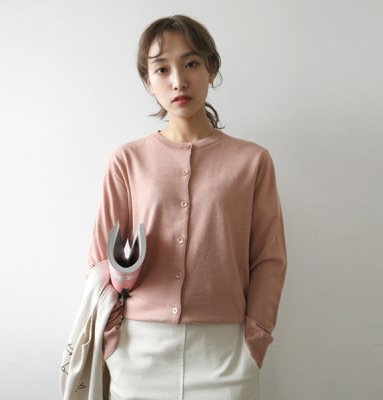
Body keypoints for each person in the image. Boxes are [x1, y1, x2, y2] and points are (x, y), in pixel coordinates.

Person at [87, 14, 287, 400]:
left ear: (211, 68)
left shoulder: (252, 161)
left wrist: (255, 340)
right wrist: (113, 342)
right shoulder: (127, 160)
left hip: (227, 352)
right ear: (148, 81)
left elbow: (269, 258)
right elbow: (100, 261)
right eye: (162, 69)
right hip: (138, 350)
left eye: (191, 63)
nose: (178, 80)